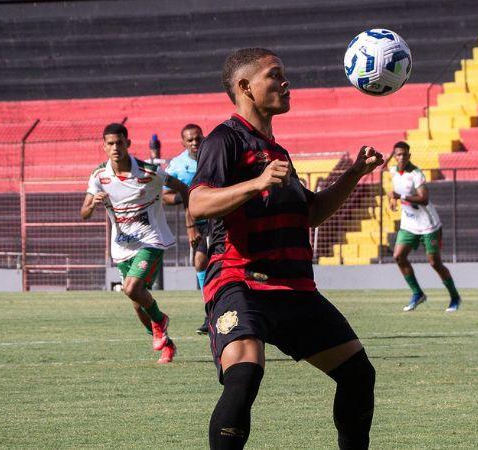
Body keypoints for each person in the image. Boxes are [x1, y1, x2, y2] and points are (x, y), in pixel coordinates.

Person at [189, 48, 382, 450]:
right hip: (241, 280)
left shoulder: (276, 152)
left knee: (358, 374)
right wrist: (255, 183)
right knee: (244, 374)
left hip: (293, 288)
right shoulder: (225, 138)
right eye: (274, 76)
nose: (285, 82)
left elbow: (311, 213)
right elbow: (199, 202)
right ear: (245, 87)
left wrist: (354, 174)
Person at [80, 123, 191, 363]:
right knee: (137, 305)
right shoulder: (99, 176)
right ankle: (165, 341)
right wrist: (92, 204)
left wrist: (192, 222)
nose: (115, 147)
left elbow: (181, 188)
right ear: (104, 147)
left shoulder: (148, 171)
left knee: (132, 288)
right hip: (122, 247)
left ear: (128, 144)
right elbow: (84, 212)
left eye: (120, 142)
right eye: (110, 143)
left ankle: (161, 321)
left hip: (151, 240)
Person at [386, 141, 462, 312]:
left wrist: (400, 196)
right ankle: (417, 293)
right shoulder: (393, 171)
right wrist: (392, 199)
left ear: (409, 155)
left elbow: (424, 199)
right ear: (394, 155)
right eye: (398, 154)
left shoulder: (416, 173)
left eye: (405, 154)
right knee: (398, 256)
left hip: (428, 225)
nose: (402, 157)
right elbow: (385, 171)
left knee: (434, 263)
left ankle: (455, 297)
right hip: (409, 224)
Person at [162, 123, 212, 334]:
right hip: (198, 221)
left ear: (203, 138)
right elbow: (164, 196)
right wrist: (186, 199)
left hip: (221, 217)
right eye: (189, 140)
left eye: (197, 139)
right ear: (182, 142)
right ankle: (210, 312)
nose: (194, 143)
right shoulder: (177, 165)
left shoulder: (213, 155)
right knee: (200, 262)